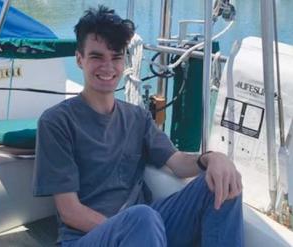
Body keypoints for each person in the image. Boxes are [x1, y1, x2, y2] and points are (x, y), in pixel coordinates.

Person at [33, 5, 243, 247]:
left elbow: (178, 164)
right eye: (96, 56)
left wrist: (214, 158)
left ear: (125, 60)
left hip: (146, 229)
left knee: (225, 183)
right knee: (142, 217)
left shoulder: (137, 117)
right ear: (79, 59)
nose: (108, 67)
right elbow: (70, 211)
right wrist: (130, 230)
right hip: (88, 238)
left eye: (116, 57)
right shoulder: (56, 122)